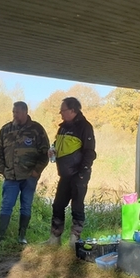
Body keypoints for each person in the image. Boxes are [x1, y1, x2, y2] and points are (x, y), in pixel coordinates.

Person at [0, 101, 49, 245]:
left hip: (29, 177)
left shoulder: (36, 129)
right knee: (6, 205)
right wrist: (2, 169)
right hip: (11, 176)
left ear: (26, 112)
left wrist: (37, 170)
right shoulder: (6, 129)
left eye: (18, 112)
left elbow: (45, 152)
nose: (15, 115)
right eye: (13, 112)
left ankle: (22, 236)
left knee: (26, 206)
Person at [47, 97, 96, 248]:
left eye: (63, 110)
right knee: (58, 205)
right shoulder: (62, 127)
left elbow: (89, 152)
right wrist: (53, 149)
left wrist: (83, 172)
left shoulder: (85, 127)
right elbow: (58, 144)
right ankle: (55, 239)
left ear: (73, 111)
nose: (60, 113)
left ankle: (75, 239)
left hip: (78, 174)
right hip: (65, 174)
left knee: (77, 206)